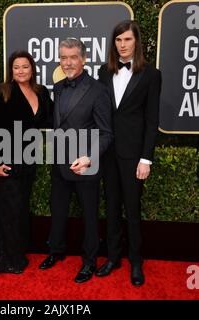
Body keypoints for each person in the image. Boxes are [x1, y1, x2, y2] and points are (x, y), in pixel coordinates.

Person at [38, 38, 113, 283]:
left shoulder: (98, 90)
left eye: (72, 57)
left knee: (89, 216)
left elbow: (106, 132)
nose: (67, 62)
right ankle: (55, 251)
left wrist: (89, 158)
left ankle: (89, 262)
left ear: (84, 59)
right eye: (63, 57)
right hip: (59, 163)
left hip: (85, 166)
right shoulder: (58, 87)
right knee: (57, 211)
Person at [95, 20, 162, 286]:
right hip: (107, 152)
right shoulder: (103, 72)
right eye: (118, 40)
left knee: (132, 210)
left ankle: (136, 261)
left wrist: (146, 158)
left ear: (137, 42)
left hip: (134, 155)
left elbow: (151, 119)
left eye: (127, 40)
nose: (122, 45)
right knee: (111, 207)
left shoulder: (151, 75)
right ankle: (112, 257)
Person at [0, 51, 53, 274]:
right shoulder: (3, 91)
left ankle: (16, 252)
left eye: (25, 67)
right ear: (11, 70)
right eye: (16, 67)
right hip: (4, 160)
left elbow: (53, 117)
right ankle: (4, 259)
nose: (20, 71)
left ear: (32, 69)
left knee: (19, 210)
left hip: (28, 161)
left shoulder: (41, 92)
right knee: (6, 210)